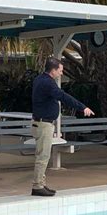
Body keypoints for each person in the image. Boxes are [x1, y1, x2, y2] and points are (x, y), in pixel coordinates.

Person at [31, 57, 94, 196]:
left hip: (41, 123)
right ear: (53, 70)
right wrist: (82, 107)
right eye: (60, 70)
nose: (61, 73)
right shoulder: (48, 83)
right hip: (43, 124)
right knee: (43, 156)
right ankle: (37, 186)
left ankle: (41, 183)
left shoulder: (40, 79)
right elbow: (63, 97)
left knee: (43, 155)